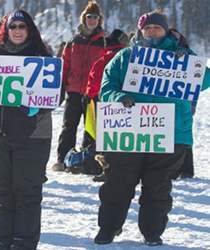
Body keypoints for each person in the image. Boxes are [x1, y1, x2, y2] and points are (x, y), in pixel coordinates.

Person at [94, 10, 210, 246]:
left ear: (166, 31)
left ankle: (152, 233)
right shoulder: (126, 56)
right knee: (118, 183)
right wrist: (119, 97)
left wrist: (187, 54)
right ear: (140, 31)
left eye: (157, 28)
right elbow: (106, 86)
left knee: (158, 187)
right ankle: (108, 228)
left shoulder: (179, 57)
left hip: (170, 132)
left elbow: (205, 80)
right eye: (147, 28)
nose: (152, 32)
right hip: (129, 130)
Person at [0, 9, 52, 250]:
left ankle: (23, 242)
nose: (18, 31)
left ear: (29, 29)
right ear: (6, 30)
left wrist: (36, 108)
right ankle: (1, 240)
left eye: (22, 27)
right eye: (13, 27)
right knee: (2, 191)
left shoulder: (42, 55)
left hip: (32, 135)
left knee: (27, 191)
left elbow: (56, 93)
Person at [52, 1, 105, 171]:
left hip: (93, 93)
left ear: (99, 20)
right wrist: (62, 86)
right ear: (84, 19)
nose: (92, 20)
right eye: (89, 17)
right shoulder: (73, 41)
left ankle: (87, 160)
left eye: (95, 17)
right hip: (74, 90)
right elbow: (65, 65)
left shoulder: (104, 42)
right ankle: (63, 159)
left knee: (91, 128)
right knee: (69, 126)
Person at [84, 29, 131, 179]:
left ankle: (105, 169)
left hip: (101, 101)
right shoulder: (127, 58)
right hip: (125, 101)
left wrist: (89, 99)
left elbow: (93, 83)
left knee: (102, 137)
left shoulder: (103, 60)